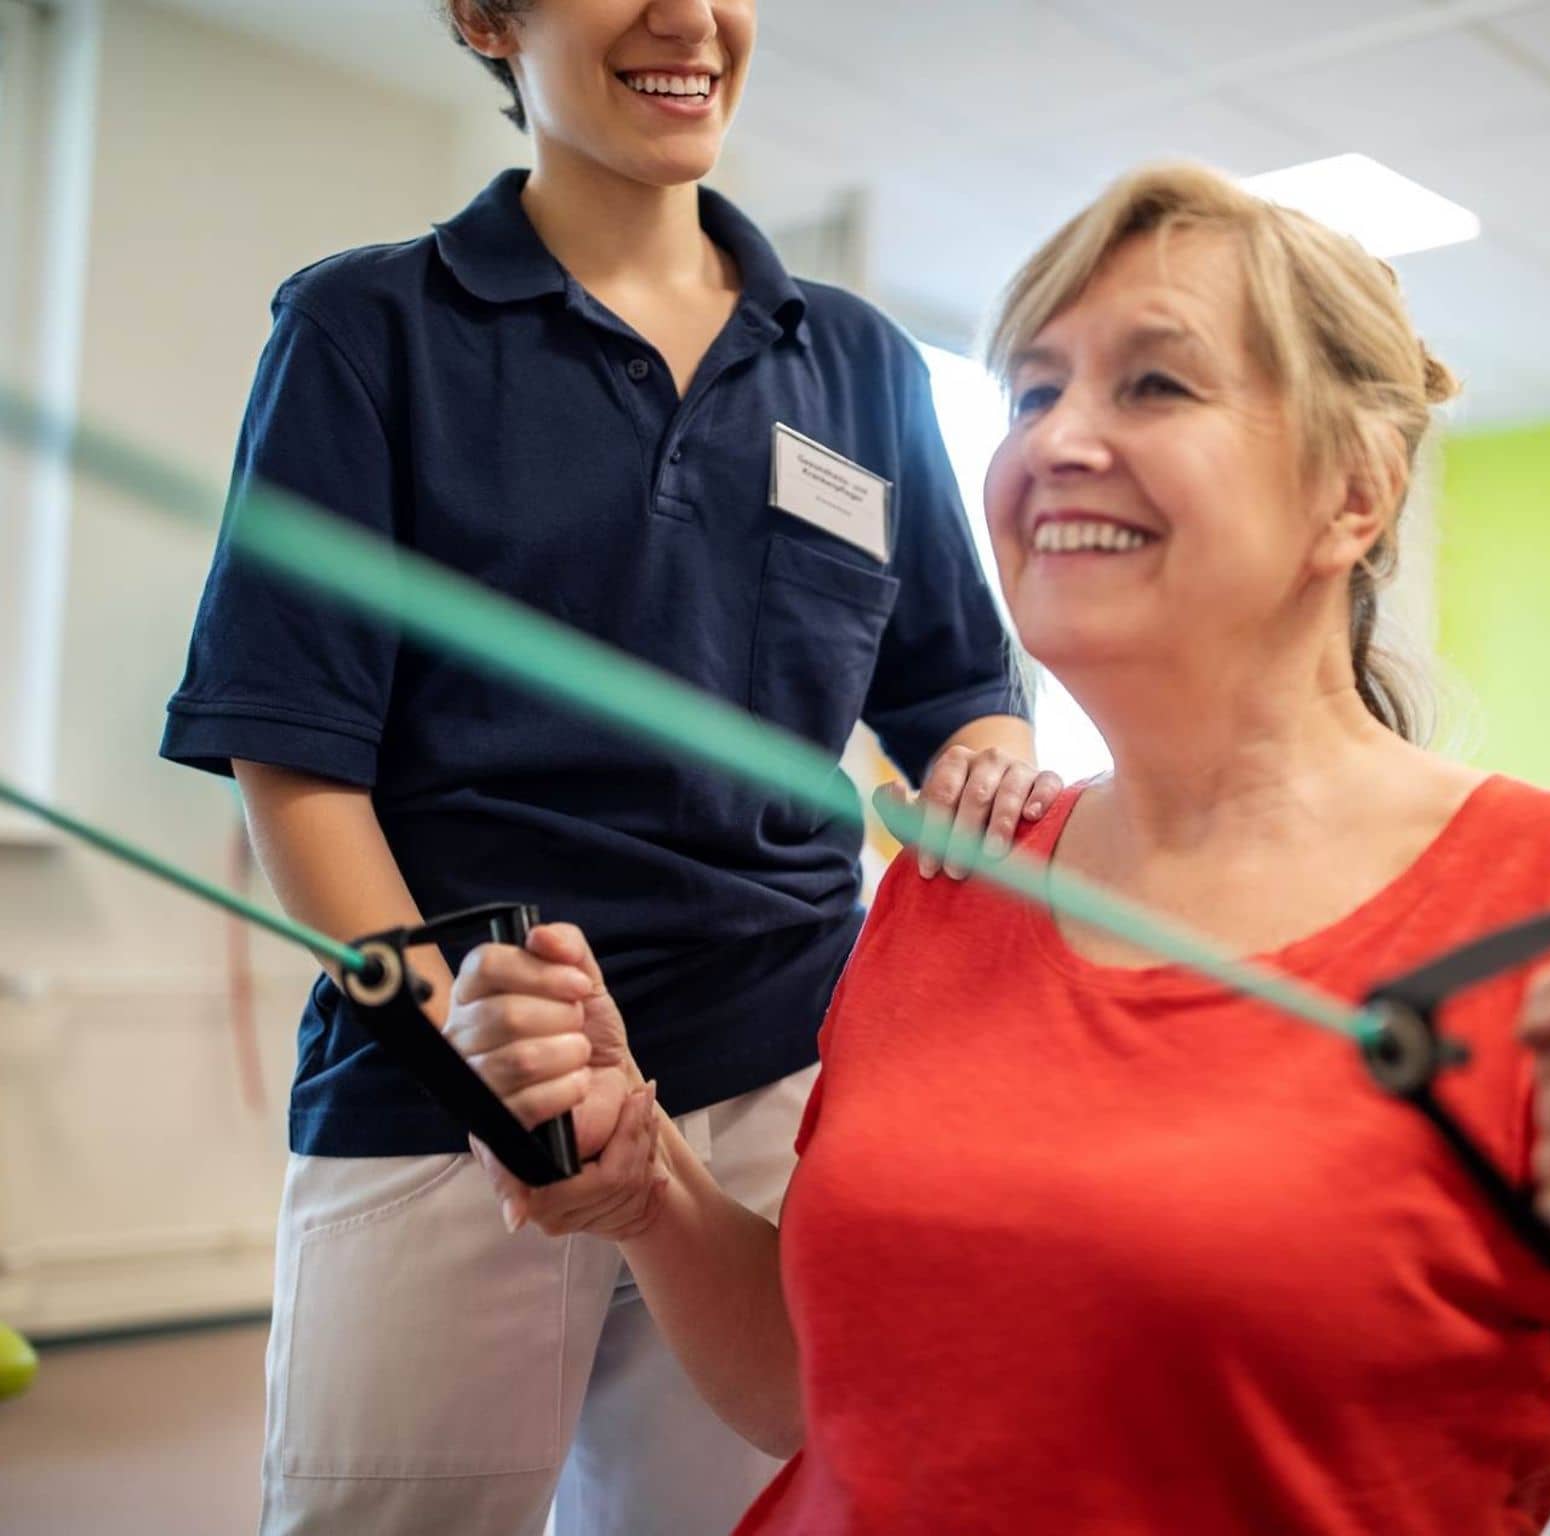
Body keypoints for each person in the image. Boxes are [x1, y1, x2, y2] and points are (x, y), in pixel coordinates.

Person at [460, 162, 1550, 1534]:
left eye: (1155, 382)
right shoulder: (953, 877)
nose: (1058, 442)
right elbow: (817, 1389)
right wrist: (649, 1176)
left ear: (1353, 495)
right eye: (1031, 393)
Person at [159, 3, 1055, 1532]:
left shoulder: (854, 361)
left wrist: (985, 756)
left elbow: (962, 692)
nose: (688, 18)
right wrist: (492, 1070)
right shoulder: (364, 332)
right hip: (452, 1091)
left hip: (777, 1082)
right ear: (488, 17)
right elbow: (296, 762)